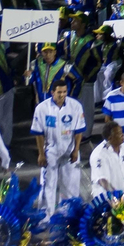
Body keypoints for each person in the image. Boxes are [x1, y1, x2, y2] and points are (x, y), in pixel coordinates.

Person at [31, 78, 85, 216]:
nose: (62, 95)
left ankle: (69, 215)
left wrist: (76, 150)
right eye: (59, 92)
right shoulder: (42, 108)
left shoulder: (75, 106)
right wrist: (41, 154)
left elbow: (79, 131)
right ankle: (45, 216)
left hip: (70, 150)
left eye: (65, 92)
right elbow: (38, 133)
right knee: (48, 184)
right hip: (51, 151)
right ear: (52, 92)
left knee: (70, 185)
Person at [89, 119, 124, 195]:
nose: (123, 135)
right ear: (110, 138)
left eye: (122, 132)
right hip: (108, 199)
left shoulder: (123, 146)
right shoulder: (99, 155)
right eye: (119, 133)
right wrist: (114, 197)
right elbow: (103, 181)